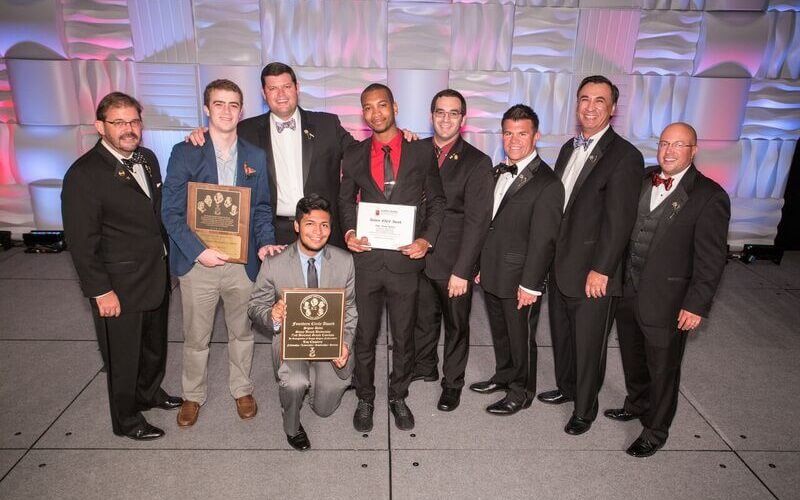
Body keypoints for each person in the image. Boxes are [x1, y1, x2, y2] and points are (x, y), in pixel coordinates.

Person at [604, 122, 730, 457]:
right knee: (632, 356)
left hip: (669, 300)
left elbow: (712, 259)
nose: (669, 151)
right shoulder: (643, 178)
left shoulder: (710, 196)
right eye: (664, 143)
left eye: (678, 145)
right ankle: (636, 403)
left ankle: (655, 430)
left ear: (693, 151)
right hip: (628, 289)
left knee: (663, 368)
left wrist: (696, 305)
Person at [62, 92, 181, 441]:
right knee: (123, 355)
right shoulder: (83, 175)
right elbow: (81, 242)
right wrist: (101, 291)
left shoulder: (148, 158)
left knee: (154, 345)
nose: (129, 129)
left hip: (155, 274)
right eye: (119, 122)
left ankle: (149, 392)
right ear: (100, 127)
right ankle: (127, 420)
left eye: (134, 121)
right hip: (118, 285)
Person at [162, 79, 278, 427]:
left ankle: (242, 388)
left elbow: (261, 208)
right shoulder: (185, 152)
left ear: (241, 111)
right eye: (219, 104)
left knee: (242, 332)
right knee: (196, 337)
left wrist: (265, 241)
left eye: (233, 105)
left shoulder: (255, 156)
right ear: (206, 108)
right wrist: (199, 252)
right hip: (199, 263)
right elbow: (170, 212)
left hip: (242, 264)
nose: (226, 111)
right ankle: (193, 394)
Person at [538, 75, 644, 436]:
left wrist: (602, 269)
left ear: (612, 109)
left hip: (593, 272)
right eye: (584, 99)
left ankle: (585, 409)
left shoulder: (625, 156)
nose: (590, 107)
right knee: (563, 336)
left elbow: (620, 221)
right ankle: (567, 388)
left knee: (588, 345)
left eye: (600, 101)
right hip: (560, 264)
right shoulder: (569, 147)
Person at [339, 83, 445, 432]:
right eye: (368, 107)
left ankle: (398, 395)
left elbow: (437, 201)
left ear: (395, 106)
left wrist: (426, 240)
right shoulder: (354, 154)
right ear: (363, 113)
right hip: (367, 261)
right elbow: (344, 200)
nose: (376, 113)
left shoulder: (421, 151)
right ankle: (365, 397)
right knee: (364, 335)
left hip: (404, 262)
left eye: (382, 105)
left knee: (403, 336)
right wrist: (349, 233)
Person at [188, 62, 356, 247]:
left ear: (297, 88)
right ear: (263, 93)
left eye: (286, 87)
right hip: (271, 235)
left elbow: (361, 155)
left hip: (323, 232)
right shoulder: (246, 130)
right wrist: (202, 134)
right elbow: (220, 140)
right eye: (273, 88)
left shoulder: (327, 124)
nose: (281, 94)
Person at [469, 104, 564, 415]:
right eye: (508, 133)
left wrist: (531, 284)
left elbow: (544, 240)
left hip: (521, 277)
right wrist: (480, 264)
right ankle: (504, 376)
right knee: (500, 332)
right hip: (493, 268)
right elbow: (489, 223)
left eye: (522, 134)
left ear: (536, 136)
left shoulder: (547, 183)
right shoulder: (497, 171)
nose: (513, 140)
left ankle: (521, 392)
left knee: (521, 337)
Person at [248, 194, 357, 451]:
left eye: (324, 225)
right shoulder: (274, 263)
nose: (318, 232)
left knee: (324, 408)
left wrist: (345, 343)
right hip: (291, 343)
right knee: (295, 383)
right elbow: (254, 306)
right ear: (297, 226)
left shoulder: (344, 261)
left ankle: (317, 386)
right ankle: (292, 425)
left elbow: (350, 309)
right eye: (310, 224)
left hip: (328, 342)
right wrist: (272, 315)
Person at [411, 89, 494, 412]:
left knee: (456, 326)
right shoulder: (414, 150)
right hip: (417, 256)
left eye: (453, 113)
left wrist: (463, 270)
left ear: (463, 118)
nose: (446, 119)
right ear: (431, 116)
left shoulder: (477, 162)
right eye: (440, 112)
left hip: (453, 263)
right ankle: (425, 366)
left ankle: (452, 383)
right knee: (423, 319)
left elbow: (477, 222)